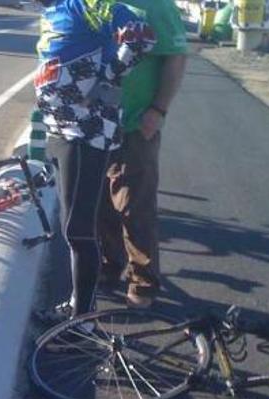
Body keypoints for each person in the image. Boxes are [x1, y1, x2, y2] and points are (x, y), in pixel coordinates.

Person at [34, 0, 155, 323]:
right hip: (60, 131)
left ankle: (82, 322)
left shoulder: (90, 4)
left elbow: (142, 37)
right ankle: (78, 305)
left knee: (78, 231)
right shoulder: (53, 11)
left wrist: (105, 81)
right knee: (71, 227)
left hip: (86, 133)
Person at [97, 0, 187, 308]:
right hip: (94, 123)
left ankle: (144, 280)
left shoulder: (157, 6)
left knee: (135, 206)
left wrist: (158, 109)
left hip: (136, 123)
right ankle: (110, 263)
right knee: (100, 203)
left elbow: (175, 58)